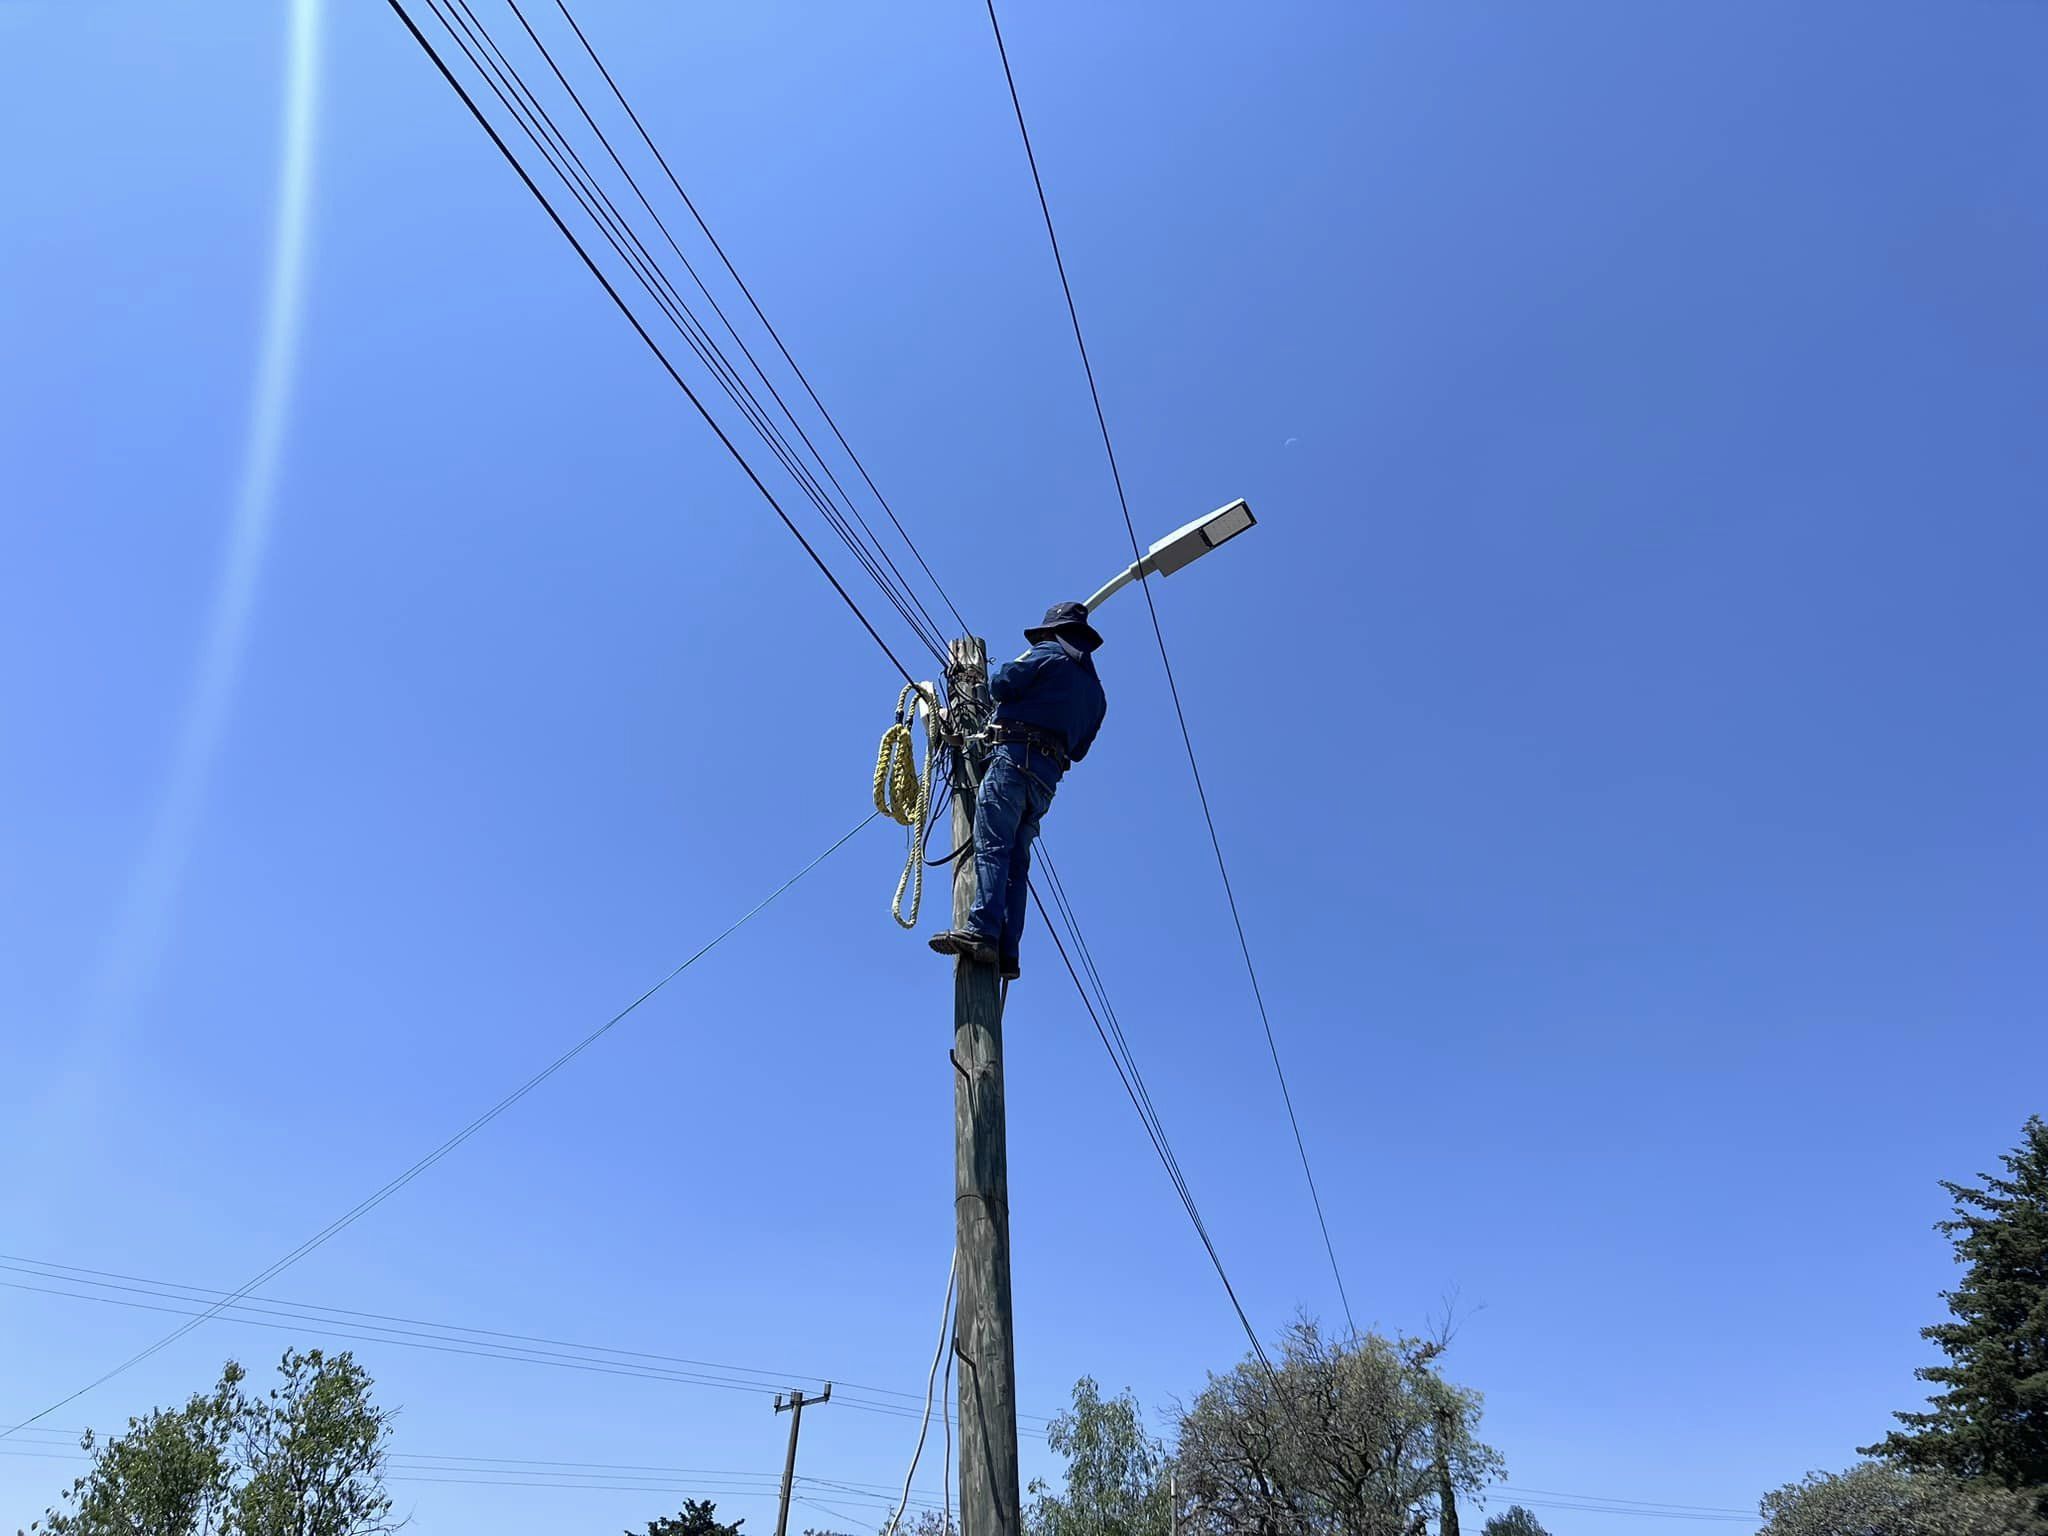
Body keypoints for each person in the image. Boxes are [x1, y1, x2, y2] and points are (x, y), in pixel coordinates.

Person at [929, 601, 1108, 980]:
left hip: (1013, 761)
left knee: (992, 847)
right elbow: (1079, 750)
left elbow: (1001, 683)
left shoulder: (1048, 655)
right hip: (1044, 784)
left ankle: (982, 931)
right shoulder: (1097, 695)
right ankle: (1008, 952)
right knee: (1016, 862)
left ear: (1053, 632)